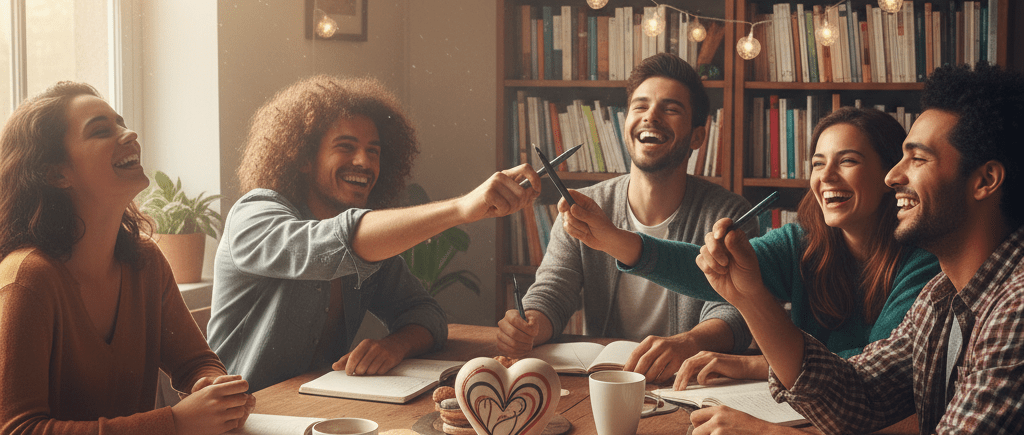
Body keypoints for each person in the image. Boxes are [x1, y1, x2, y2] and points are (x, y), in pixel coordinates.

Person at [560, 107, 940, 433]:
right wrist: (612, 238)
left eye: (848, 161)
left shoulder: (924, 262)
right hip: (805, 416)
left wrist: (755, 364)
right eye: (818, 164)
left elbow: (876, 368)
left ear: (890, 174)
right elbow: (704, 272)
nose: (826, 177)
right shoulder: (801, 242)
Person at [692, 63, 1024, 434]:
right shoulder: (941, 297)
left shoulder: (1017, 307)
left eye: (917, 159)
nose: (892, 176)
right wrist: (750, 296)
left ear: (985, 180)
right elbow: (856, 396)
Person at [208, 75, 541, 392]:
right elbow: (325, 247)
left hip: (315, 412)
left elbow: (427, 315)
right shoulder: (254, 215)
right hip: (238, 419)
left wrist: (395, 345)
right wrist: (460, 210)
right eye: (346, 146)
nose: (363, 162)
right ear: (304, 158)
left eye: (374, 151)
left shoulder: (373, 245)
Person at [0, 82, 254, 435]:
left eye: (120, 123)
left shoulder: (145, 261)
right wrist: (176, 423)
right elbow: (17, 430)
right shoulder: (27, 279)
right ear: (57, 174)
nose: (129, 133)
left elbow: (195, 362)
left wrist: (213, 387)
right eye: (102, 131)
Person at [496, 53, 757, 383]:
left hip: (690, 383)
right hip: (607, 383)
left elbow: (736, 310)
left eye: (671, 108)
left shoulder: (729, 215)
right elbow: (553, 290)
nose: (651, 116)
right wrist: (529, 325)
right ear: (625, 126)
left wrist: (688, 343)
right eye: (640, 106)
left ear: (697, 137)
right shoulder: (585, 206)